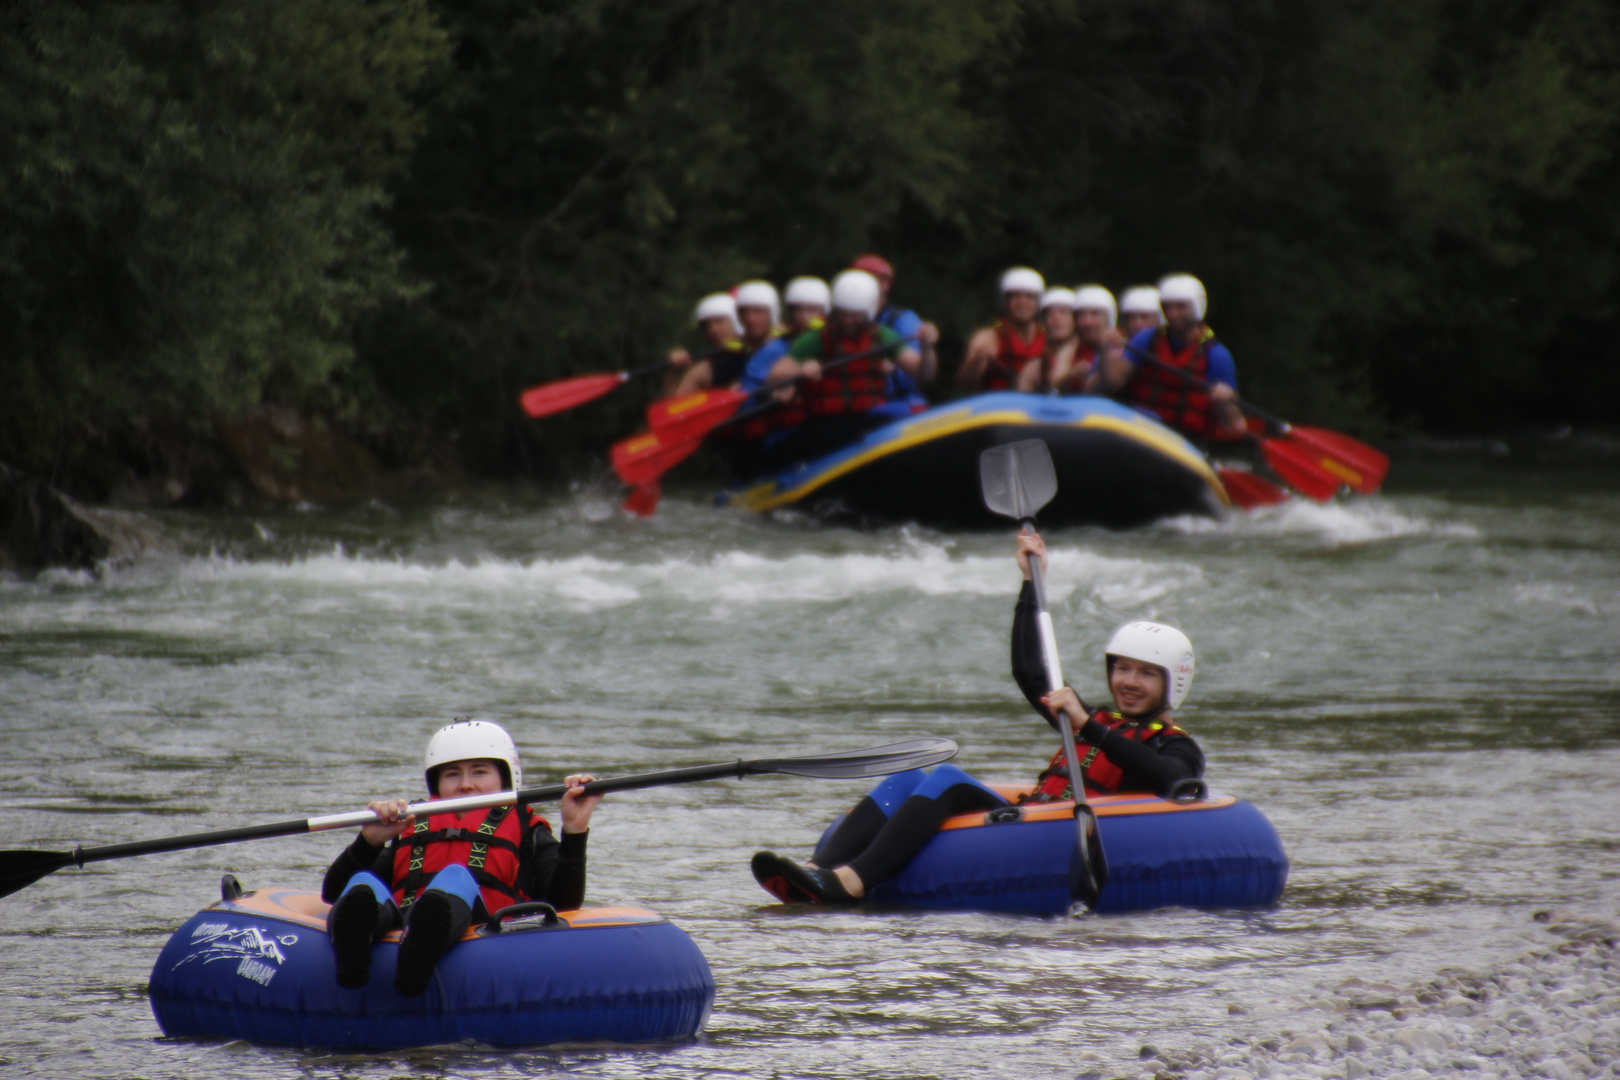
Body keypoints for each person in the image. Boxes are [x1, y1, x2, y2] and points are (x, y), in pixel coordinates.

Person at [750, 531, 1205, 905]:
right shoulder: (1091, 715)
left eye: (1146, 674)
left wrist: (1087, 724)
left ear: (1172, 683)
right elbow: (1030, 671)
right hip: (1034, 816)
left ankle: (852, 883)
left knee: (947, 777)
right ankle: (815, 872)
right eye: (1122, 668)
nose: (1129, 681)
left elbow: (1168, 778)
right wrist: (1032, 584)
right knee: (905, 781)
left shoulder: (1173, 743)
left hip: (1054, 834)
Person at [322, 720, 602, 995]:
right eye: (453, 774)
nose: (466, 785)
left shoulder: (527, 827)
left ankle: (416, 963)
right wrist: (369, 841)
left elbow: (565, 903)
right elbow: (334, 892)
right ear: (437, 784)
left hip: (485, 929)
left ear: (505, 778)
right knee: (363, 882)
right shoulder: (414, 825)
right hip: (405, 924)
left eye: (479, 772)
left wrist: (574, 830)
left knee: (454, 877)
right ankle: (353, 965)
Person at [1087, 273, 1245, 441]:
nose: (1173, 314)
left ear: (1198, 307)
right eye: (1167, 307)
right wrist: (1105, 352)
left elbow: (1233, 423)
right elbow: (1113, 383)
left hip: (1186, 439)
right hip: (1143, 430)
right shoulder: (1147, 339)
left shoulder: (1216, 355)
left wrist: (1226, 401)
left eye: (1180, 307)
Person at [851, 254, 941, 383]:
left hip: (896, 397)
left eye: (880, 280)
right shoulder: (833, 322)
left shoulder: (901, 320)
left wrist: (894, 368)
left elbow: (923, 371)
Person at [956, 268, 1048, 391]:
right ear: (1005, 301)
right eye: (1015, 297)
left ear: (1038, 302)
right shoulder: (988, 336)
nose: (1022, 304)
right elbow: (964, 382)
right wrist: (978, 359)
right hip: (1000, 406)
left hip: (1038, 406)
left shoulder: (1049, 337)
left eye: (1029, 297)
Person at [665, 292, 749, 397]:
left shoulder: (764, 347)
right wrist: (674, 372)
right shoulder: (706, 368)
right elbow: (672, 407)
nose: (713, 330)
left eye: (719, 321)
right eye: (706, 326)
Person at [1049, 284, 1122, 394]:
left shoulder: (1122, 348)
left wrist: (1105, 350)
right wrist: (1072, 374)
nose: (1086, 322)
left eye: (1095, 314)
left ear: (1109, 317)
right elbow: (1053, 383)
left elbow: (1102, 386)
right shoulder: (1071, 348)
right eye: (1081, 316)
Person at [1017, 287, 1077, 393]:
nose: (1056, 319)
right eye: (1050, 314)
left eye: (1063, 313)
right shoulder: (1036, 367)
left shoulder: (1091, 355)